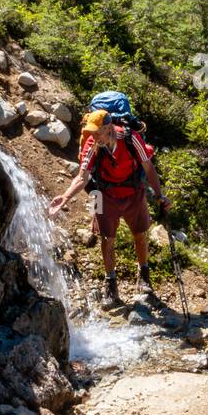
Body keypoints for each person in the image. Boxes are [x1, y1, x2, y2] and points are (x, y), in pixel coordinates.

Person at [48, 108, 170, 311]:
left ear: (109, 128)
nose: (93, 137)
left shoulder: (131, 138)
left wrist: (159, 196)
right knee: (106, 239)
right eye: (91, 133)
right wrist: (65, 197)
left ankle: (144, 277)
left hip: (134, 192)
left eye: (97, 132)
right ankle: (111, 284)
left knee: (140, 234)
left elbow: (148, 168)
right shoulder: (92, 143)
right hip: (103, 194)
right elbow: (82, 176)